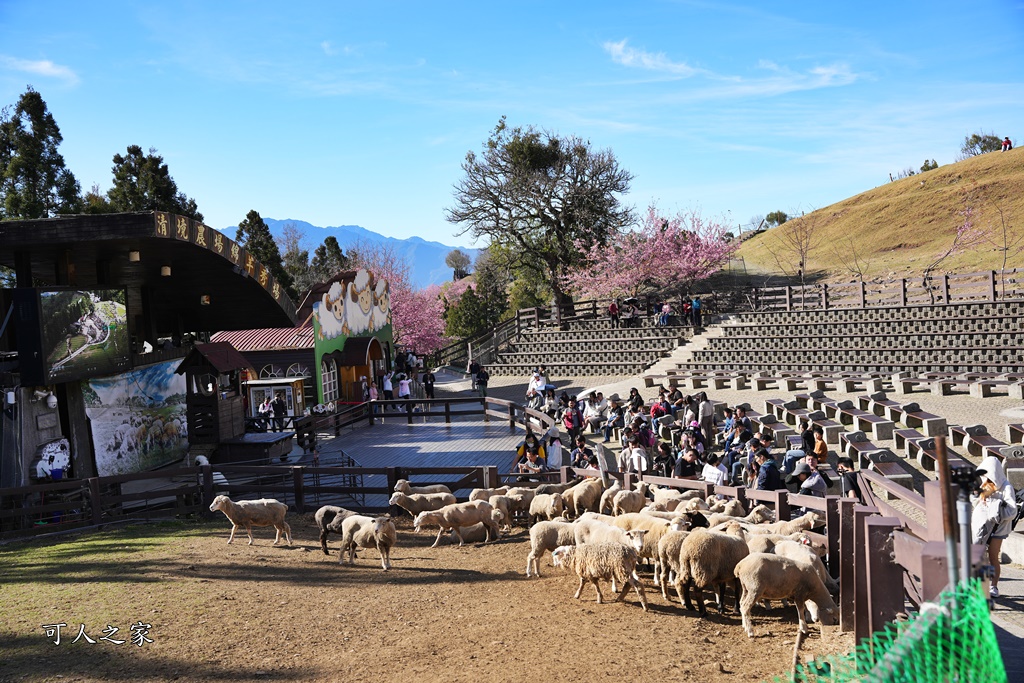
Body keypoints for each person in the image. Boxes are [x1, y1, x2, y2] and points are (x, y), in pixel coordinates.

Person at [971, 455, 1018, 597]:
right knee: (981, 556)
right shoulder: (984, 485)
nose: (985, 478)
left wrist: (994, 506)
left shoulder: (1006, 487)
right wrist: (978, 497)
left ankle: (994, 586)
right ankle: (980, 586)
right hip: (984, 528)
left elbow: (1012, 511)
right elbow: (976, 504)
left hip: (998, 529)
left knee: (993, 556)